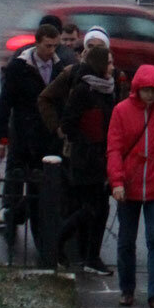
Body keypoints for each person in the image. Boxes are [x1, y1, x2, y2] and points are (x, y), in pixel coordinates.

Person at [108, 63, 154, 308]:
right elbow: (114, 148)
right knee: (126, 240)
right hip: (129, 186)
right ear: (137, 88)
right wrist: (117, 181)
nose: (149, 95)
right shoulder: (121, 111)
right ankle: (127, 288)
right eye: (145, 90)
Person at [0, 22, 63, 252]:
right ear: (37, 42)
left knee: (39, 190)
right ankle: (11, 224)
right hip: (22, 136)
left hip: (45, 139)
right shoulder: (20, 67)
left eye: (55, 46)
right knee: (15, 184)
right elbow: (5, 103)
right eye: (47, 45)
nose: (51, 50)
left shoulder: (58, 67)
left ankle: (40, 238)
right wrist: (1, 138)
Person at [54, 34, 118, 272]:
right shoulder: (84, 89)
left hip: (103, 157)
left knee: (100, 209)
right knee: (92, 208)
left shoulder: (109, 88)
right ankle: (61, 240)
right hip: (86, 159)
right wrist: (87, 141)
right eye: (109, 63)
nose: (113, 66)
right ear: (100, 64)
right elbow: (68, 124)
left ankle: (91, 257)